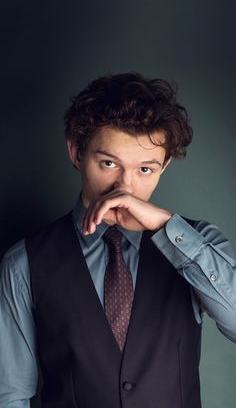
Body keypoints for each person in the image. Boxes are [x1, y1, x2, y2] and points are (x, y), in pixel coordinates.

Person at [0, 73, 235, 408]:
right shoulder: (23, 263)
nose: (124, 188)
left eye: (145, 169)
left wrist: (166, 226)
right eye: (109, 163)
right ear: (76, 153)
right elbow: (10, 395)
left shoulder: (199, 244)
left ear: (164, 165)